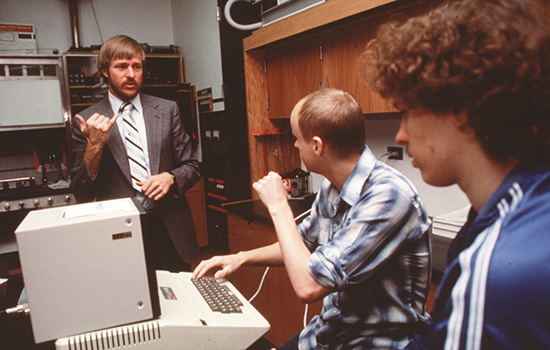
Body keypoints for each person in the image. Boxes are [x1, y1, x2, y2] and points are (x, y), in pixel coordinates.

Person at [362, 0, 550, 348]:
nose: (400, 135)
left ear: (463, 108)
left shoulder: (496, 269)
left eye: (408, 112)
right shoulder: (513, 204)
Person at [193, 88, 432, 349]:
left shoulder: (388, 196)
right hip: (332, 333)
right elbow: (300, 242)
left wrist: (278, 207)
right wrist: (242, 257)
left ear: (317, 146)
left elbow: (309, 286)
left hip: (378, 342)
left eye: (297, 138)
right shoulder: (332, 187)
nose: (295, 145)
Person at [71, 35, 200, 272]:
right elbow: (81, 192)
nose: (131, 74)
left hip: (170, 229)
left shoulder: (167, 110)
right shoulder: (88, 121)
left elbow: (192, 165)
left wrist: (170, 178)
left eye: (137, 67)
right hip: (119, 233)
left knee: (179, 302)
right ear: (105, 71)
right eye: (121, 66)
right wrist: (95, 146)